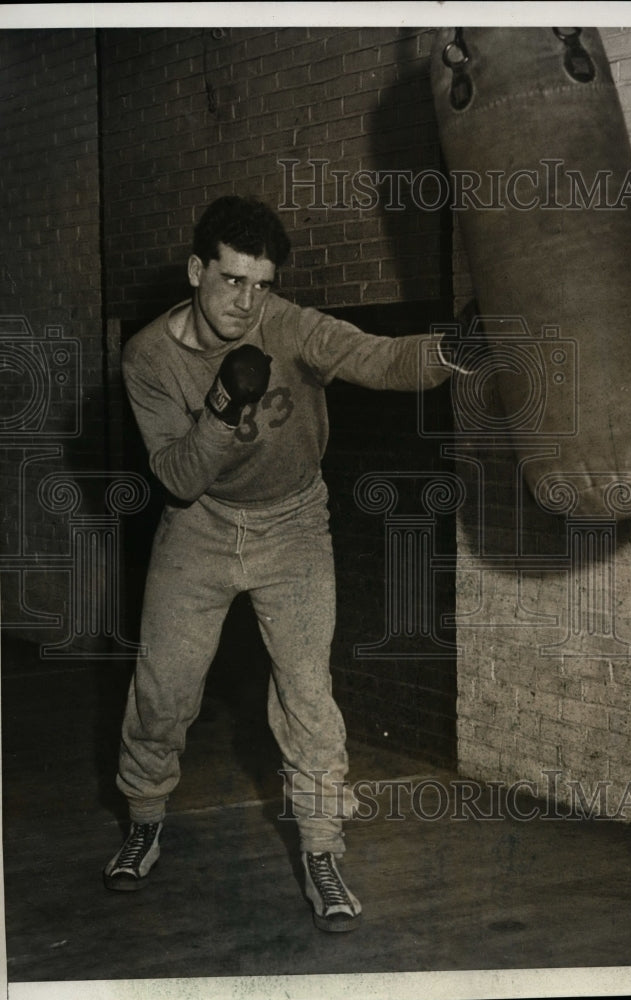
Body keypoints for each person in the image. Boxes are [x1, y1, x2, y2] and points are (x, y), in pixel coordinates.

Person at [102, 194, 461, 933]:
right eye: (232, 280)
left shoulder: (289, 327)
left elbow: (373, 354)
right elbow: (176, 478)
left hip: (294, 525)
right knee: (164, 689)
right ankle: (144, 815)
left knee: (306, 694)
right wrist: (225, 413)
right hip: (197, 530)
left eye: (261, 284)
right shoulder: (147, 356)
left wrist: (451, 353)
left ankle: (323, 847)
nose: (246, 301)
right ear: (197, 269)